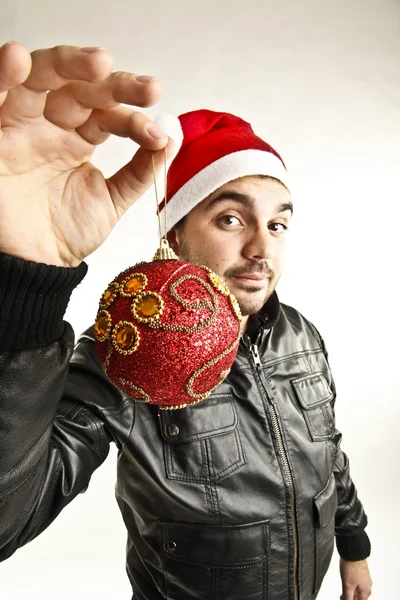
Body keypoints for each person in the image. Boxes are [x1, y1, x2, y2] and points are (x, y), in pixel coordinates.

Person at [0, 41, 372, 600]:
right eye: (230, 218)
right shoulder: (126, 356)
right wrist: (26, 285)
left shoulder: (300, 334)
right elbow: (7, 518)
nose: (260, 249)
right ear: (174, 234)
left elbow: (329, 455)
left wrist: (355, 547)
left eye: (277, 225)